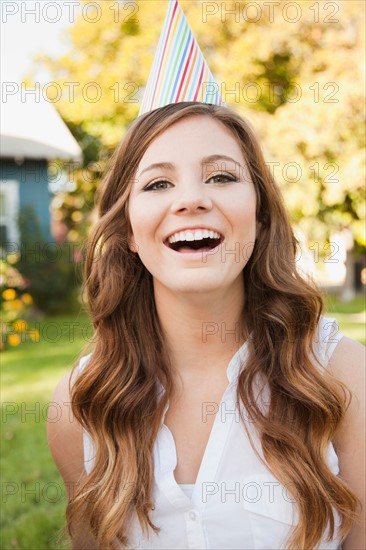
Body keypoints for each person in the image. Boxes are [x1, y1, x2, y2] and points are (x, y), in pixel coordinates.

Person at [48, 101, 365, 550]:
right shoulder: (80, 406)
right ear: (130, 233)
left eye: (221, 176)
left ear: (259, 214)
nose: (192, 199)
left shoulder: (342, 376)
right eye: (158, 183)